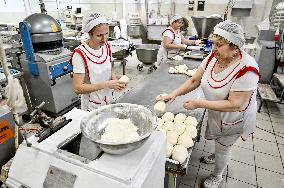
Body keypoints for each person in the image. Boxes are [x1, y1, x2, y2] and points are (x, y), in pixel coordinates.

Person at [160, 20, 260, 188]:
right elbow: (194, 80)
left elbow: (236, 104)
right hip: (217, 111)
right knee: (219, 142)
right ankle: (218, 153)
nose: (214, 49)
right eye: (213, 43)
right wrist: (173, 95)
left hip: (234, 117)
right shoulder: (214, 57)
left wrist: (199, 103)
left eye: (219, 45)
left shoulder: (247, 69)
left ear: (235, 47)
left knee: (224, 147)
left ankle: (217, 175)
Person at [70, 13, 126, 111]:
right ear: (89, 34)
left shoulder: (107, 46)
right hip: (93, 105)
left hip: (110, 99)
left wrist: (116, 81)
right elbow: (77, 88)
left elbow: (108, 69)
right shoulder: (80, 54)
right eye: (99, 35)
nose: (104, 39)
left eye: (106, 34)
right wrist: (107, 84)